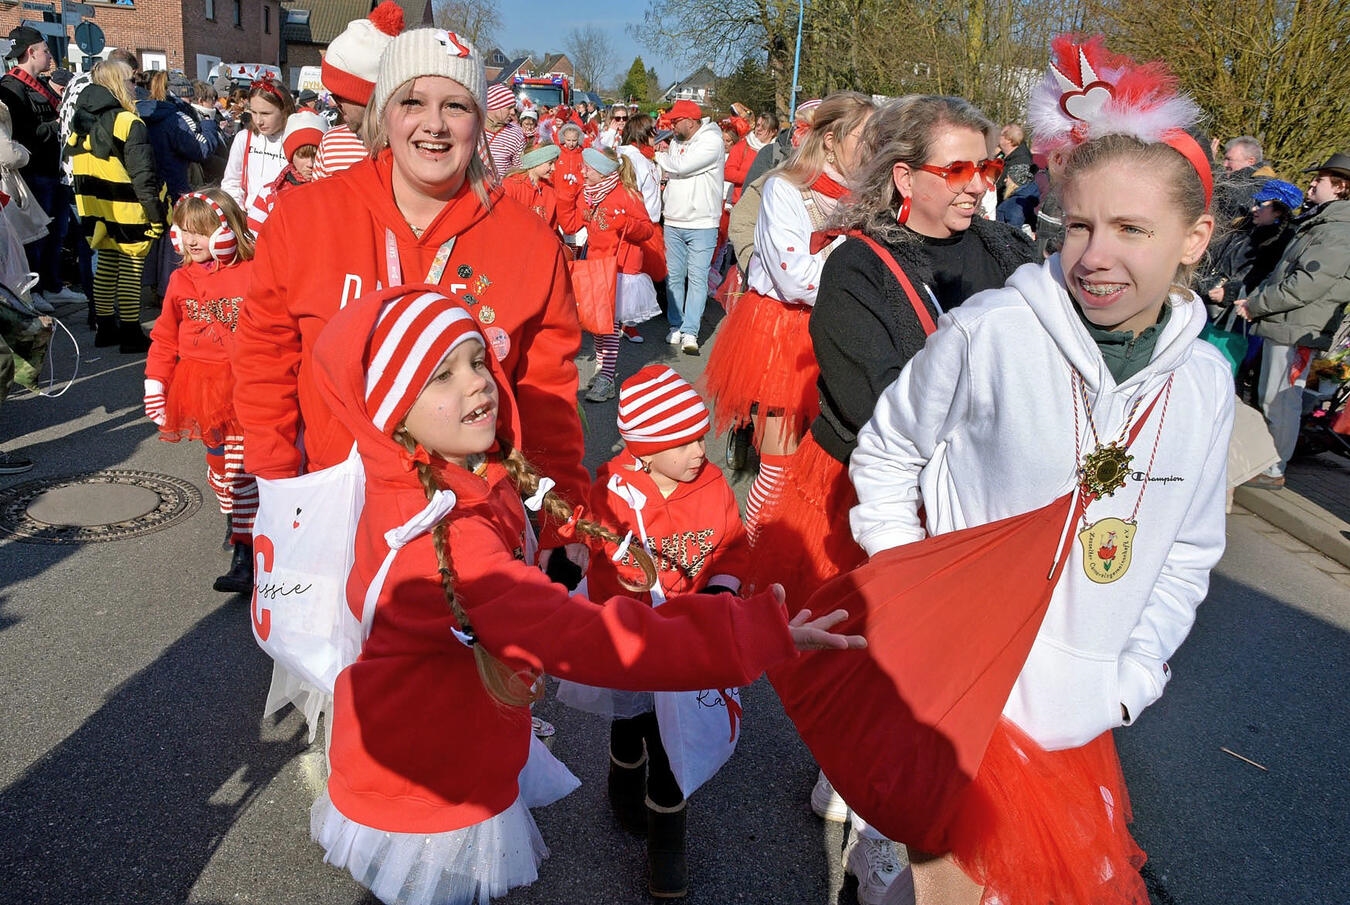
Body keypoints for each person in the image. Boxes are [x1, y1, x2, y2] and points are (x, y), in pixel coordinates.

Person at [306, 283, 864, 905]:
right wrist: (756, 633)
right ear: (392, 412)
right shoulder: (447, 539)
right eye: (441, 376)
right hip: (434, 771)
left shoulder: (446, 482)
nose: (477, 382)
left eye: (476, 361)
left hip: (438, 732)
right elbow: (591, 637)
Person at [845, 36, 1231, 905]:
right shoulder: (993, 330)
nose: (1096, 254)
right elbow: (888, 452)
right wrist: (913, 599)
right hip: (957, 698)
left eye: (1133, 230)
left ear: (1194, 239)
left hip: (1079, 713)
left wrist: (1131, 679)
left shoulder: (1205, 385)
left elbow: (1187, 552)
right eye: (1081, 224)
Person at [749, 93, 1034, 905]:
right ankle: (877, 826)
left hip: (973, 502)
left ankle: (862, 786)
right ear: (905, 175)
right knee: (883, 668)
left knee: (937, 679)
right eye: (958, 168)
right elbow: (877, 405)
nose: (979, 183)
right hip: (866, 496)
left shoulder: (1008, 253)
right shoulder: (857, 265)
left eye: (986, 166)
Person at [232, 27, 591, 559]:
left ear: (480, 122)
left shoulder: (530, 244)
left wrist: (563, 520)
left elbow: (546, 398)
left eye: (456, 106)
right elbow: (266, 362)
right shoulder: (305, 220)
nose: (435, 125)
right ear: (383, 114)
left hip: (475, 523)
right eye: (413, 101)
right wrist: (279, 486)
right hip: (333, 512)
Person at [557, 364, 750, 897]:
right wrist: (596, 558)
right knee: (632, 716)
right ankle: (622, 784)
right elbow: (588, 542)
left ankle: (667, 844)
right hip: (630, 633)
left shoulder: (711, 485)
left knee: (673, 742)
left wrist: (722, 588)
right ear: (644, 449)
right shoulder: (614, 495)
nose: (699, 450)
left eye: (700, 436)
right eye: (684, 440)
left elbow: (733, 543)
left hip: (689, 635)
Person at [703, 91, 876, 537]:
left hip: (835, 331)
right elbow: (794, 279)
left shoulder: (867, 194)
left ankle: (787, 566)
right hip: (781, 333)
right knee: (778, 469)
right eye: (867, 135)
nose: (877, 145)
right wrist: (854, 267)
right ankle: (753, 564)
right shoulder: (786, 186)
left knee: (821, 469)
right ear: (833, 138)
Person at [144, 190, 258, 592]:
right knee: (217, 469)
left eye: (202, 231)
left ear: (226, 232)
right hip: (199, 386)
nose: (191, 240)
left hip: (245, 385)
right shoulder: (180, 278)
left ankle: (246, 552)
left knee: (239, 471)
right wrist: (156, 382)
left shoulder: (253, 272)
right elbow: (164, 337)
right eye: (184, 231)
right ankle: (236, 518)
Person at [1235, 152, 1350, 487]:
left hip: (1297, 327)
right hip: (1289, 323)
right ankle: (1268, 461)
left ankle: (1272, 467)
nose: (1312, 183)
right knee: (1275, 395)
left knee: (1281, 397)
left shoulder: (1339, 230)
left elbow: (1308, 283)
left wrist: (1257, 304)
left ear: (1341, 186)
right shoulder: (1325, 222)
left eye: (1322, 179)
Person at [67, 60, 168, 353]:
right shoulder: (128, 122)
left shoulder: (80, 120)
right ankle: (130, 332)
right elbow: (143, 177)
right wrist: (155, 217)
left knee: (108, 267)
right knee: (132, 269)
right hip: (127, 209)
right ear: (116, 83)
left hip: (97, 209)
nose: (135, 85)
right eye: (130, 80)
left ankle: (105, 328)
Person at [556, 147, 657, 402]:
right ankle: (603, 371)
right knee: (597, 325)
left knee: (610, 326)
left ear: (601, 171)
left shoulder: (626, 195)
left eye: (587, 168)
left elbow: (647, 230)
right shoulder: (588, 194)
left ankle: (607, 378)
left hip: (622, 267)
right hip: (596, 265)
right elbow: (569, 225)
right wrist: (567, 196)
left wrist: (628, 224)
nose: (583, 171)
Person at [1, 26, 77, 311]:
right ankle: (34, 291)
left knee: (57, 232)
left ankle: (54, 286)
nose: (50, 57)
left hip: (52, 170)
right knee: (34, 236)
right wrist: (55, 127)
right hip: (33, 173)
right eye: (46, 51)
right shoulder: (10, 88)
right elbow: (18, 134)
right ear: (31, 52)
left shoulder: (41, 84)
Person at [656, 99, 724, 353]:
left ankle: (690, 331)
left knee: (697, 279)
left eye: (676, 121)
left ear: (690, 121)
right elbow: (673, 172)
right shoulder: (675, 142)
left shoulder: (712, 141)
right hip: (674, 220)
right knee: (674, 277)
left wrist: (658, 156)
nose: (671, 125)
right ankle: (676, 325)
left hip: (703, 223)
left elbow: (682, 167)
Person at [313, 1, 405, 180]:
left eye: (340, 95)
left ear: (368, 97)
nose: (333, 103)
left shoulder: (414, 148)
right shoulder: (331, 143)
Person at [246, 110, 328, 233]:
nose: (310, 164)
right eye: (302, 156)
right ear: (290, 156)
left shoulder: (330, 192)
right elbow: (253, 237)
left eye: (315, 155)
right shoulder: (269, 194)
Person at [221, 76, 294, 210]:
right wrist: (240, 213)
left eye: (266, 113)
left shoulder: (295, 140)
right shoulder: (244, 138)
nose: (259, 120)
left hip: (285, 219)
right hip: (250, 221)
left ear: (284, 110)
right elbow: (231, 182)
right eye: (254, 112)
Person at [500, 143, 561, 229]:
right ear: (535, 162)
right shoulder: (511, 186)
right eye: (550, 163)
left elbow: (552, 228)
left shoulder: (549, 190)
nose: (554, 168)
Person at [483, 83, 525, 178]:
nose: (513, 112)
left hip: (500, 189)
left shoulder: (516, 134)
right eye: (509, 108)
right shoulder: (473, 128)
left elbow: (520, 169)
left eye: (514, 108)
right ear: (495, 106)